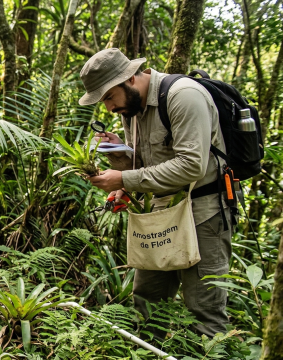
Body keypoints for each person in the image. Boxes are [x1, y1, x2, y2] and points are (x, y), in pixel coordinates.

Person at [78, 48, 230, 338]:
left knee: (204, 304)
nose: (109, 107)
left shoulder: (183, 96)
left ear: (130, 79)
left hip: (205, 210)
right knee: (147, 297)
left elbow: (191, 166)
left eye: (109, 96)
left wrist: (124, 178)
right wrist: (121, 159)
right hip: (162, 211)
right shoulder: (132, 109)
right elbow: (148, 164)